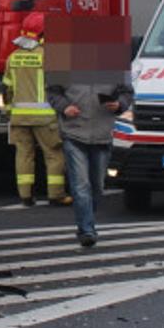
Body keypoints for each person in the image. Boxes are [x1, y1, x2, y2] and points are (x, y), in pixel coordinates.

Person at [49, 73, 131, 249]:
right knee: (81, 185)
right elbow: (52, 92)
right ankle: (86, 230)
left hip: (102, 135)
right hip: (73, 132)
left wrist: (119, 105)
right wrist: (64, 107)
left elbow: (127, 92)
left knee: (96, 186)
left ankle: (87, 221)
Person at [2, 13, 68, 206]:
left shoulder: (12, 57)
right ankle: (56, 195)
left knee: (23, 155)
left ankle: (26, 196)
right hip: (45, 118)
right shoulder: (49, 56)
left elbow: (7, 89)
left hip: (18, 118)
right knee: (54, 154)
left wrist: (9, 111)